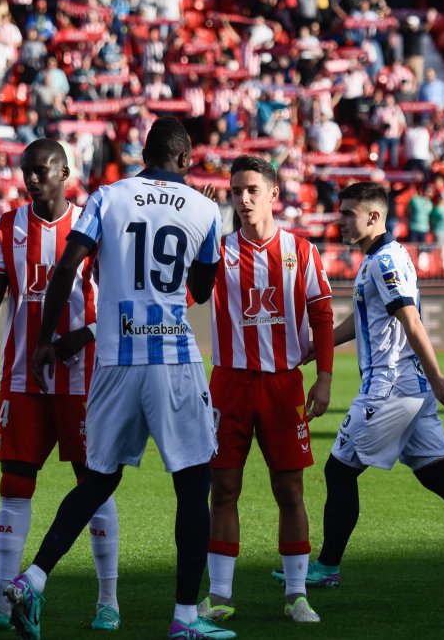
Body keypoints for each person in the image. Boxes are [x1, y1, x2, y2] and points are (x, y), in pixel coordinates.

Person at [3, 118, 233, 640]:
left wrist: (45, 338)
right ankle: (185, 617)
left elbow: (67, 268)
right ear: (184, 159)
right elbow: (202, 287)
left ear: (143, 154)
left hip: (114, 360)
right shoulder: (202, 208)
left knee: (98, 480)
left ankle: (33, 579)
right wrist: (206, 229)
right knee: (192, 485)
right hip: (172, 359)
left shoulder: (108, 197)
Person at [277, 181, 444, 595]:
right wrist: (317, 347)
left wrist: (437, 377)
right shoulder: (380, 257)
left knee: (339, 470)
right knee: (437, 474)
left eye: (348, 214)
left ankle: (326, 567)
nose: (340, 221)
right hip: (408, 385)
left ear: (373, 216)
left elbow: (411, 320)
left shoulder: (384, 261)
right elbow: (367, 316)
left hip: (390, 386)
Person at [0, 139, 120, 633]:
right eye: (26, 170)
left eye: (41, 170)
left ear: (64, 173)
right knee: (14, 484)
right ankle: (2, 604)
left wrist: (82, 336)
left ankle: (108, 601)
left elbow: (118, 301)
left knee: (93, 484)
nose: (31, 179)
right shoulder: (5, 227)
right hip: (23, 377)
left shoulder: (94, 223)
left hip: (83, 378)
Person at [197, 155, 335, 625]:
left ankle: (297, 595)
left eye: (252, 189)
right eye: (236, 191)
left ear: (274, 194)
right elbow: (191, 291)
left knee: (290, 490)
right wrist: (198, 233)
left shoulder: (302, 250)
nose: (243, 198)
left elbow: (322, 315)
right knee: (223, 488)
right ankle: (220, 596)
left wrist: (325, 377)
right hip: (230, 385)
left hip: (283, 385)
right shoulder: (218, 251)